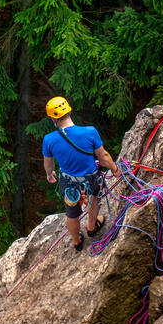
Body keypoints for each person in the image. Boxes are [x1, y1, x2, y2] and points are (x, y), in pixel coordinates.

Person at [42, 96, 122, 252]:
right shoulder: (90, 131)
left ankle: (76, 240)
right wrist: (115, 169)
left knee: (72, 214)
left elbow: (48, 164)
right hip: (92, 178)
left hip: (69, 183)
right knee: (95, 198)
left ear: (52, 118)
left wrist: (49, 174)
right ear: (70, 111)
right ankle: (91, 226)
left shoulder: (49, 139)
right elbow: (103, 157)